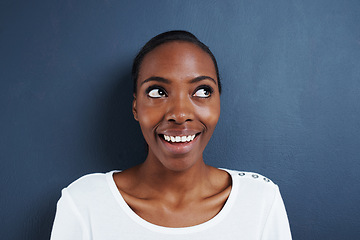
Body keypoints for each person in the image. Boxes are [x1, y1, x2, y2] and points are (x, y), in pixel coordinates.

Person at [50, 30, 292, 239]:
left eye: (202, 91)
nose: (180, 114)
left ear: (219, 102)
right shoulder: (85, 203)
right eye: (157, 92)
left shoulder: (260, 201)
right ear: (135, 107)